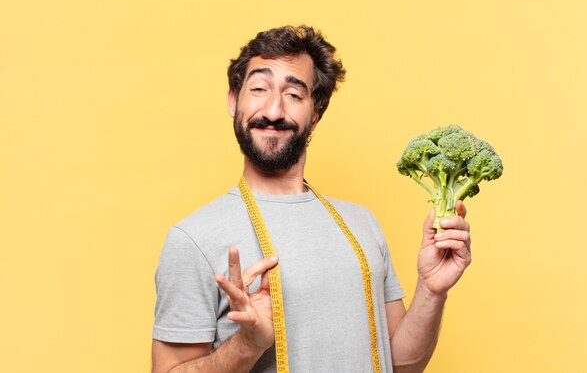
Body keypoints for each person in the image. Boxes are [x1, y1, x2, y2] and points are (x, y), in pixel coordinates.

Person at [151, 25, 471, 373]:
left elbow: (400, 365)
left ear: (315, 114)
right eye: (258, 88)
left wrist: (431, 289)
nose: (273, 110)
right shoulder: (193, 239)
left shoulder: (362, 225)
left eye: (294, 95)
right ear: (233, 100)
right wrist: (247, 346)